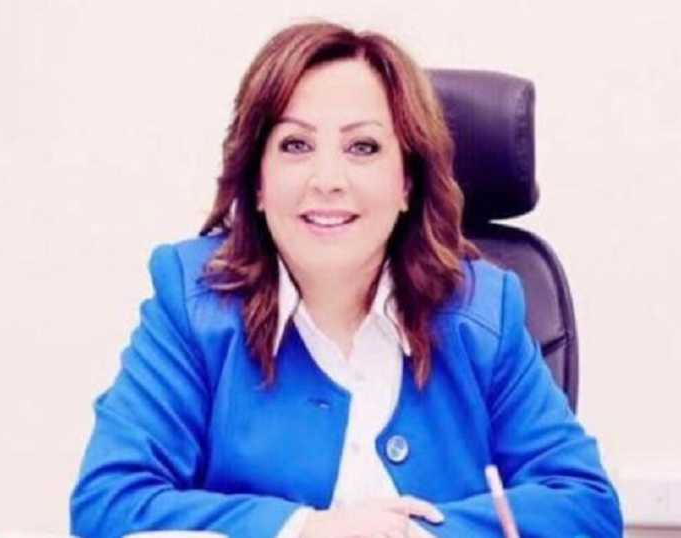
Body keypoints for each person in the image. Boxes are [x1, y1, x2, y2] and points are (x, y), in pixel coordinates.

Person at [70, 20, 623, 538]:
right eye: (295, 145)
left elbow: (586, 506)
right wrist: (306, 530)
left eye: (363, 148)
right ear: (257, 181)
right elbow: (108, 505)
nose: (328, 180)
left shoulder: (482, 309)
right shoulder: (193, 301)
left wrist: (408, 534)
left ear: (406, 182)